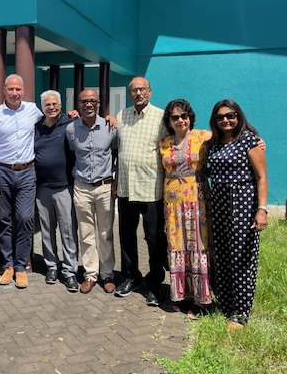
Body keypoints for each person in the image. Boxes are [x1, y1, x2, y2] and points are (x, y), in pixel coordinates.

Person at [208, 99, 268, 330]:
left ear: (238, 116)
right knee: (222, 255)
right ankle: (226, 304)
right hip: (220, 204)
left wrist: (261, 210)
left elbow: (261, 177)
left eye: (230, 115)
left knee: (242, 257)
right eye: (220, 117)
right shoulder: (215, 142)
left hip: (243, 203)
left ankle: (241, 312)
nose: (225, 120)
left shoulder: (249, 140)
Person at [0, 74, 43, 289]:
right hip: (2, 172)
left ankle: (21, 266)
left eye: (18, 89)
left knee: (25, 218)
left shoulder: (33, 110)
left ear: (23, 91)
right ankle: (8, 264)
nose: (15, 93)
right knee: (4, 219)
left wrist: (72, 115)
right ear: (4, 90)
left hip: (27, 172)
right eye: (11, 89)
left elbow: (52, 120)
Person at [114, 77, 167, 305]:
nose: (138, 93)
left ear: (150, 92)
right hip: (126, 188)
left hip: (151, 188)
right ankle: (131, 277)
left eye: (142, 89)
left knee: (154, 238)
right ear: (129, 93)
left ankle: (154, 283)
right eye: (134, 90)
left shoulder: (162, 117)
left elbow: (179, 139)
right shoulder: (121, 116)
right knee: (126, 236)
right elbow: (117, 150)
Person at [159, 99, 213, 315]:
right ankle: (182, 295)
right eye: (175, 117)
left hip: (197, 201)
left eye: (184, 116)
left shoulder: (204, 136)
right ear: (169, 121)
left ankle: (201, 300)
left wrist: (256, 141)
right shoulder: (163, 143)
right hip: (172, 204)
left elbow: (232, 138)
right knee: (177, 246)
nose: (180, 120)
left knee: (197, 245)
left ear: (190, 117)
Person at [66, 88, 118, 294]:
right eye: (84, 101)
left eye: (92, 101)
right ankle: (90, 274)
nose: (88, 104)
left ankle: (107, 274)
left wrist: (116, 181)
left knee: (105, 233)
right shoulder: (71, 129)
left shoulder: (110, 127)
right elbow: (71, 153)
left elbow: (116, 153)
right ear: (79, 104)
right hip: (81, 187)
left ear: (98, 104)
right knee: (86, 233)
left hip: (104, 187)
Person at [34, 90, 79, 292]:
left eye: (54, 104)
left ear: (60, 105)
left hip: (64, 187)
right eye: (47, 105)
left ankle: (70, 271)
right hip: (42, 187)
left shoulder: (70, 122)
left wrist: (109, 119)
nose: (51, 107)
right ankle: (52, 266)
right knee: (46, 230)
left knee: (68, 231)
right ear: (42, 107)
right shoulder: (36, 127)